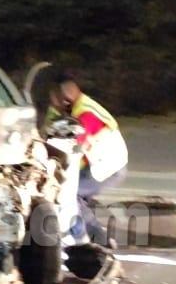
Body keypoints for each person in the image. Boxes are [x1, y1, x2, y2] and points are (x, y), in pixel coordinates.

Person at [53, 73, 129, 244]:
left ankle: (93, 239)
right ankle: (90, 237)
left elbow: (75, 144)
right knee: (77, 197)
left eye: (54, 98)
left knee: (70, 194)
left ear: (65, 96)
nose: (53, 103)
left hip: (108, 167)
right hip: (100, 165)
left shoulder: (85, 113)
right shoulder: (77, 107)